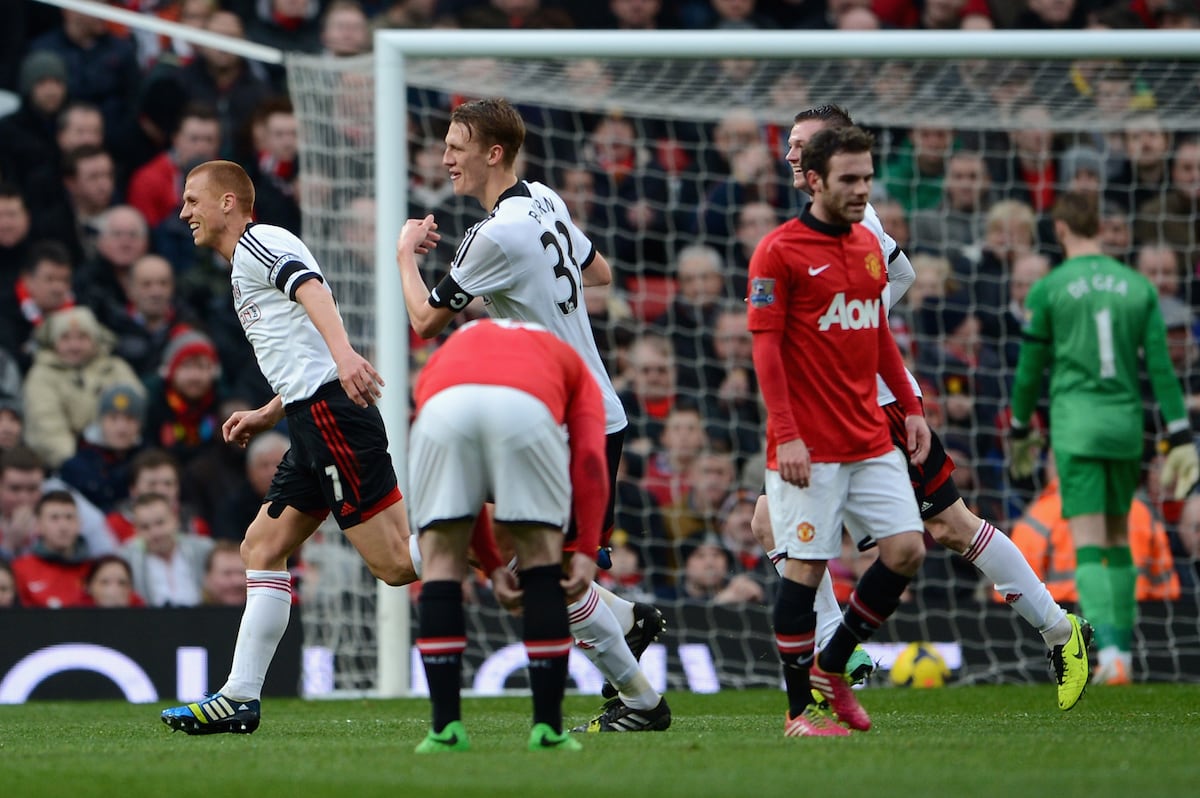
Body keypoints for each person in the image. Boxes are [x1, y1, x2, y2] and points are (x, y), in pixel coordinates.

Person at [753, 104, 1092, 716]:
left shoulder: (859, 223)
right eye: (790, 145)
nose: (790, 154)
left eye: (800, 143)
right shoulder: (808, 230)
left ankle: (1060, 631)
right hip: (820, 409)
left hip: (873, 406)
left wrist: (856, 335)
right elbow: (896, 277)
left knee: (949, 527)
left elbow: (886, 286)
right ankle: (837, 650)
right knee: (767, 522)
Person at [394, 98, 668, 733]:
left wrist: (405, 253)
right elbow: (597, 271)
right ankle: (628, 623)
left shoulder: (495, 233)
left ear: (493, 153)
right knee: (514, 560)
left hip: (568, 423)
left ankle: (641, 700)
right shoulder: (544, 200)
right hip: (580, 412)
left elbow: (424, 320)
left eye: (455, 147)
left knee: (539, 576)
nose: (445, 159)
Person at [160, 159, 417, 735]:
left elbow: (310, 289)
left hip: (330, 417)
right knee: (261, 546)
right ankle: (239, 697)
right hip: (308, 416)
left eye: (193, 201)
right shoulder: (244, 263)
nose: (184, 213)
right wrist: (268, 410)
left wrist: (347, 356)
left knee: (396, 564)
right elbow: (300, 352)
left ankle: (519, 543)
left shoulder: (258, 242)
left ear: (228, 203)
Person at [748, 122, 932, 737]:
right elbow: (766, 350)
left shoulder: (868, 247)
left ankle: (832, 663)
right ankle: (800, 711)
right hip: (808, 445)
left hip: (869, 437)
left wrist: (911, 406)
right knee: (805, 569)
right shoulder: (777, 251)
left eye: (867, 178)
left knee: (907, 550)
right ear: (817, 179)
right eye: (849, 180)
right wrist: (786, 434)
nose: (861, 190)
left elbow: (878, 333)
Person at [1008, 191, 1200, 687]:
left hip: (1077, 425)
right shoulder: (1138, 286)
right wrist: (1179, 434)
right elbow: (1160, 366)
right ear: (1100, 227)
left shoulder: (1049, 288)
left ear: (1062, 229)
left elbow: (1029, 372)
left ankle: (1108, 653)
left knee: (1090, 543)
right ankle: (1124, 653)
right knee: (1119, 539)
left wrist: (1020, 427)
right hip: (1126, 426)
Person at [408, 317, 609, 752]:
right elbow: (591, 461)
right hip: (526, 408)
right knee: (540, 556)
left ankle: (444, 730)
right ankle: (549, 730)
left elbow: (469, 494)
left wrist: (493, 566)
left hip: (442, 406)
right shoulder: (570, 359)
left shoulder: (446, 352)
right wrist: (587, 549)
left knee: (441, 557)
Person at [10, 489, 92, 608]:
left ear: (79, 524)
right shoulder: (19, 570)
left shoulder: (94, 571)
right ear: (38, 525)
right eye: (54, 518)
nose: (63, 526)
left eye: (69, 517)